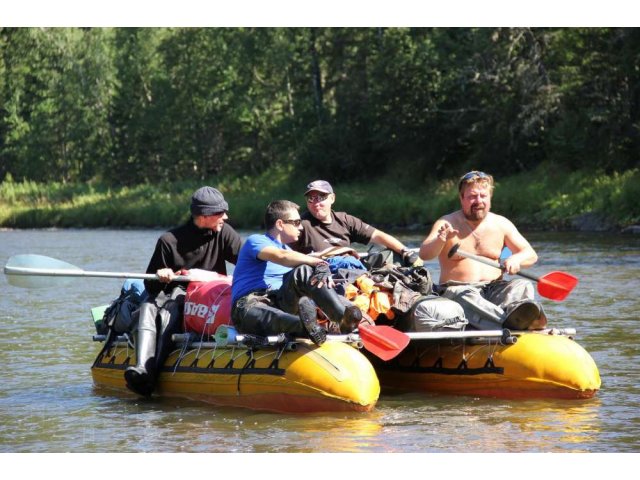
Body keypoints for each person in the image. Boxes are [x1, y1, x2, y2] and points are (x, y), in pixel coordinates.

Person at [124, 186, 242, 396]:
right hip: (175, 292)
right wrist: (162, 275)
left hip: (206, 295)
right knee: (150, 306)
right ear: (204, 215)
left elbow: (244, 263)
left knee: (172, 308)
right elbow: (151, 287)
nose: (225, 217)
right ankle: (142, 368)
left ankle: (150, 374)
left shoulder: (225, 233)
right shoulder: (168, 241)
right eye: (220, 213)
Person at [418, 171, 547, 331]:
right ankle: (513, 326)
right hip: (460, 291)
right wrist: (441, 240)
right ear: (461, 198)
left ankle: (515, 320)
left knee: (522, 285)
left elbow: (530, 254)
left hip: (494, 288)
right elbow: (425, 254)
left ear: (490, 198)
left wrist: (516, 259)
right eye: (472, 196)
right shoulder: (446, 223)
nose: (478, 201)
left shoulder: (501, 223)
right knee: (465, 295)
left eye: (483, 196)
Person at [231, 200, 363, 344]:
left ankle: (341, 319)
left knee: (304, 271)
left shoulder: (291, 252)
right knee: (282, 317)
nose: (301, 227)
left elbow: (307, 262)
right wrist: (317, 262)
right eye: (296, 222)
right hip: (250, 307)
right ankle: (308, 327)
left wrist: (323, 267)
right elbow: (281, 256)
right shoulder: (255, 241)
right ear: (280, 224)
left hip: (279, 300)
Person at [291, 180, 420, 267]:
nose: (316, 203)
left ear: (332, 198)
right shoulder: (301, 224)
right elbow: (282, 252)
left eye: (321, 197)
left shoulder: (345, 220)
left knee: (393, 255)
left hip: (352, 270)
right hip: (322, 276)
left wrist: (406, 252)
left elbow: (379, 236)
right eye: (311, 199)